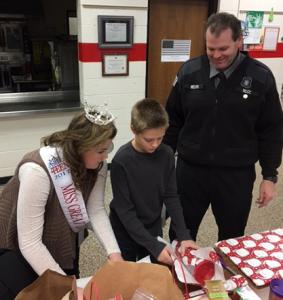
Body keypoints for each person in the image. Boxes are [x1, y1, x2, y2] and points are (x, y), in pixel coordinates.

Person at [163, 12, 283, 242]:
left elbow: (272, 131)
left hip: (235, 175)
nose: (216, 55)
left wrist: (269, 176)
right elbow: (172, 121)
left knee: (231, 239)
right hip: (190, 171)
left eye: (223, 49)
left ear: (239, 41)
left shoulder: (260, 77)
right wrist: (161, 164)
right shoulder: (188, 72)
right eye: (211, 49)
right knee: (181, 234)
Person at [0, 104, 123, 299]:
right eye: (101, 150)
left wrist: (114, 254)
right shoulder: (36, 171)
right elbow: (30, 243)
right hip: (18, 247)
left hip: (60, 236)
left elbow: (96, 210)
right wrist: (68, 285)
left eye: (108, 148)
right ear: (81, 147)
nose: (106, 156)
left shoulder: (97, 164)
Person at [109, 98, 198, 265]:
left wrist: (184, 235)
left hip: (152, 225)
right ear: (133, 130)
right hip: (124, 229)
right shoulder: (121, 161)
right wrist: (153, 245)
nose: (155, 145)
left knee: (153, 273)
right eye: (149, 140)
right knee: (128, 274)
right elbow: (125, 210)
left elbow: (171, 196)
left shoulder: (167, 154)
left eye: (160, 138)